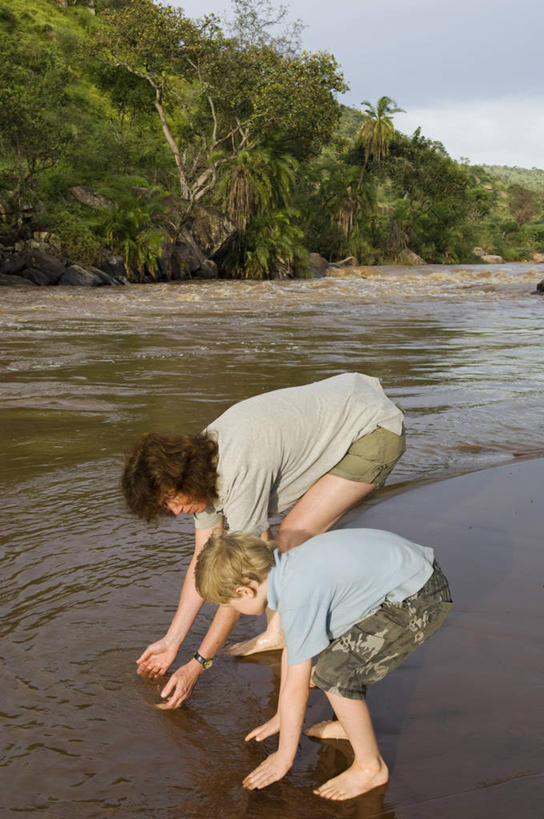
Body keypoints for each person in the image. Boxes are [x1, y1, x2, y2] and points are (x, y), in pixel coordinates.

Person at [122, 372, 405, 708]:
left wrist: (198, 662)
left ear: (185, 478)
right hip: (347, 401)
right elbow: (202, 558)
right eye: (165, 507)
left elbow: (239, 578)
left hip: (372, 429)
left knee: (291, 538)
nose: (175, 510)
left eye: (172, 500)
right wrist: (171, 641)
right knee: (265, 546)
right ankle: (277, 633)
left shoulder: (238, 471)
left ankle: (307, 641)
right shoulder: (200, 471)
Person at [194, 529, 452, 801]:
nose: (234, 609)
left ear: (245, 591)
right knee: (330, 655)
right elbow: (294, 648)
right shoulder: (287, 569)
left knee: (334, 674)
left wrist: (284, 756)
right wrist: (282, 716)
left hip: (421, 597)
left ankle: (370, 768)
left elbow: (296, 687)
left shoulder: (297, 596)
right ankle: (350, 726)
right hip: (409, 574)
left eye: (230, 604)